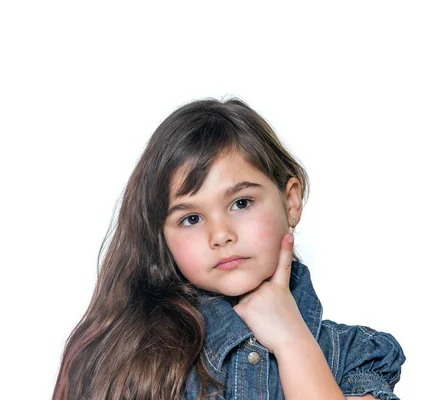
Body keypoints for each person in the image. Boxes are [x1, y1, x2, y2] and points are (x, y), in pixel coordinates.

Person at [52, 97, 406, 400]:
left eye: (241, 203)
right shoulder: (129, 355)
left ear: (291, 200)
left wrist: (292, 341)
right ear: (163, 237)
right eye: (191, 218)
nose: (219, 235)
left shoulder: (357, 354)